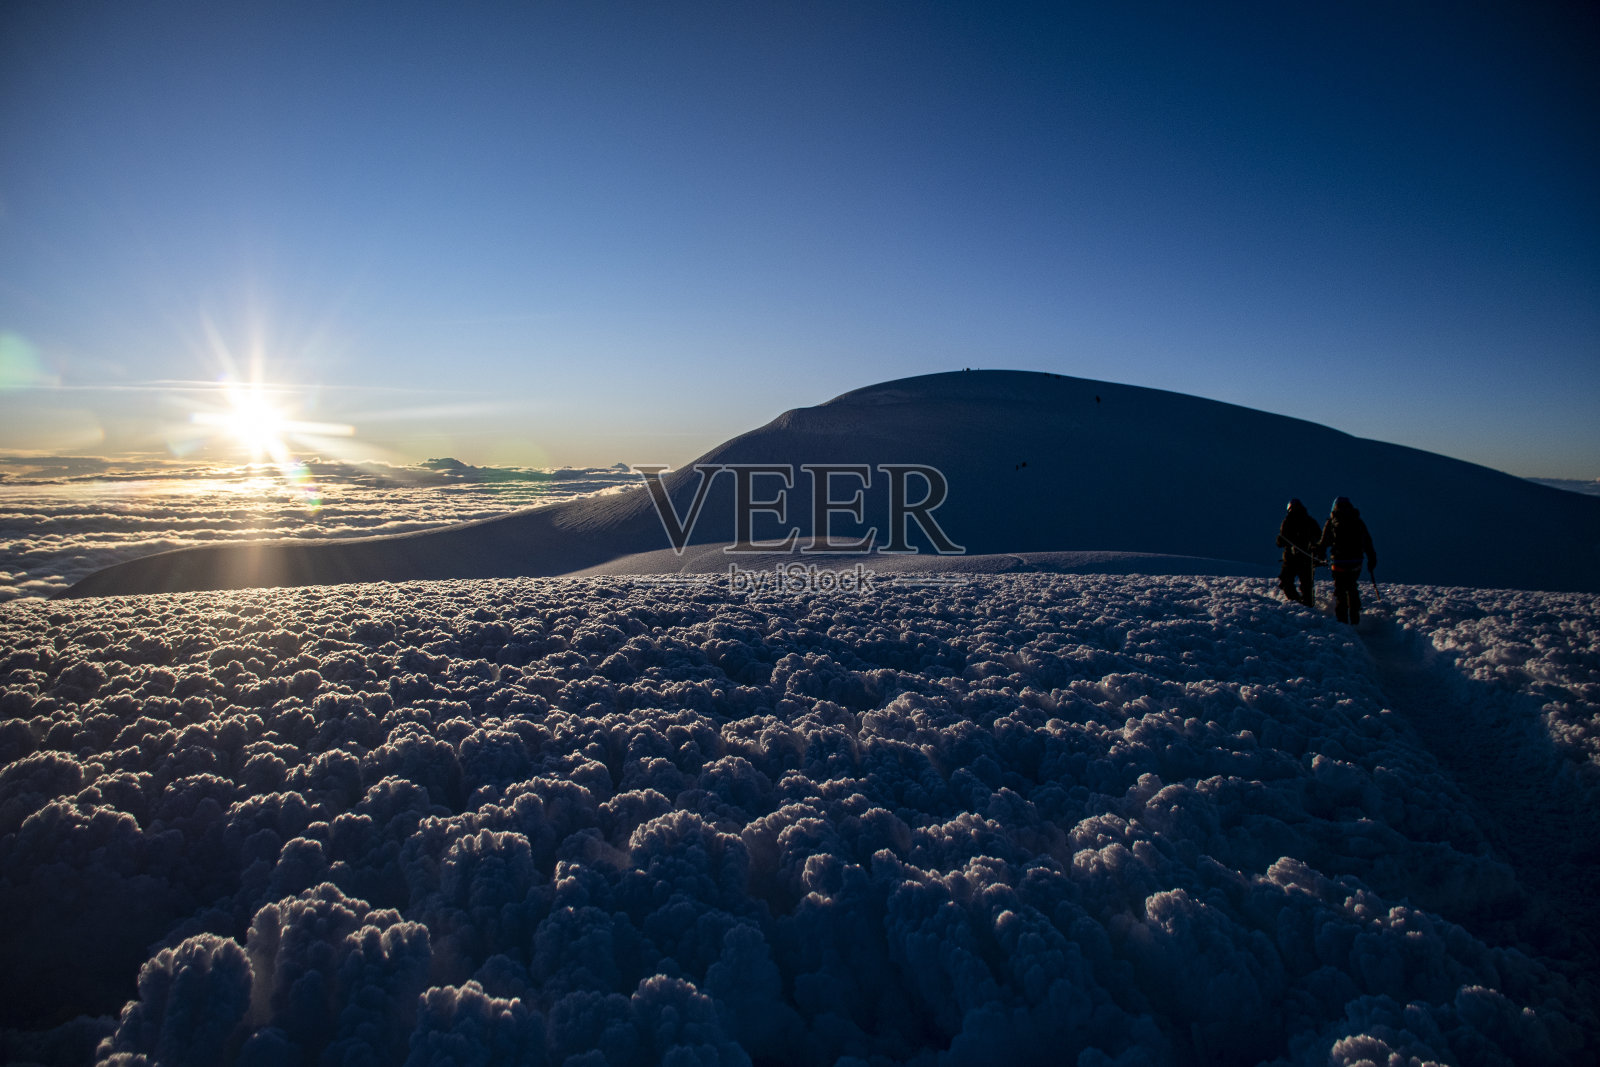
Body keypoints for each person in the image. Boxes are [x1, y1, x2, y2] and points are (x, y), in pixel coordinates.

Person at [1318, 496, 1377, 624]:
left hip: (1338, 562)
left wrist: (1319, 555)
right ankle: (1355, 616)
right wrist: (1372, 559)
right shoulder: (1357, 521)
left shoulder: (1332, 522)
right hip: (1356, 562)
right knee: (1352, 586)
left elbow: (1324, 543)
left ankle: (1342, 620)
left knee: (1340, 590)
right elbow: (1367, 541)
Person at [1275, 498, 1321, 606]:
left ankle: (1297, 603)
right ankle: (1306, 605)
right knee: (1306, 585)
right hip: (1305, 559)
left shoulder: (1288, 521)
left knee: (1287, 582)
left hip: (1292, 559)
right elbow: (1319, 538)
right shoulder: (1309, 521)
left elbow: (1280, 541)